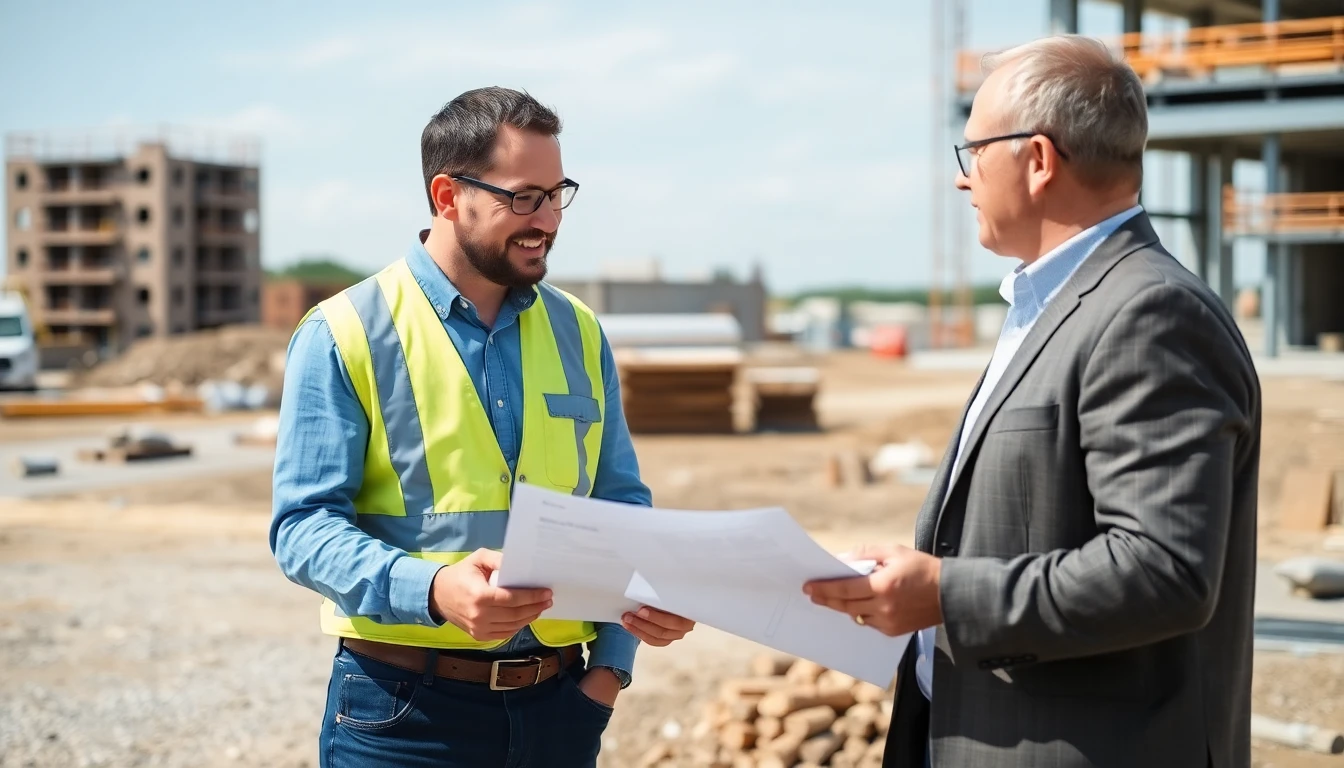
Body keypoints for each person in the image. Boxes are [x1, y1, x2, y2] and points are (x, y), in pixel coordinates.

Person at [805, 36, 1260, 767]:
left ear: (1039, 160)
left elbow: (1165, 570)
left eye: (974, 153)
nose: (964, 182)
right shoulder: (1055, 304)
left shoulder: (1150, 314)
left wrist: (948, 595)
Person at [270, 86, 695, 767]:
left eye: (558, 194)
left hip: (562, 708)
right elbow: (303, 529)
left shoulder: (579, 331)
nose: (548, 219)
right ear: (447, 196)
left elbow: (620, 507)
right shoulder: (343, 333)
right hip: (402, 718)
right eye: (523, 197)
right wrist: (434, 590)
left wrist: (612, 665)